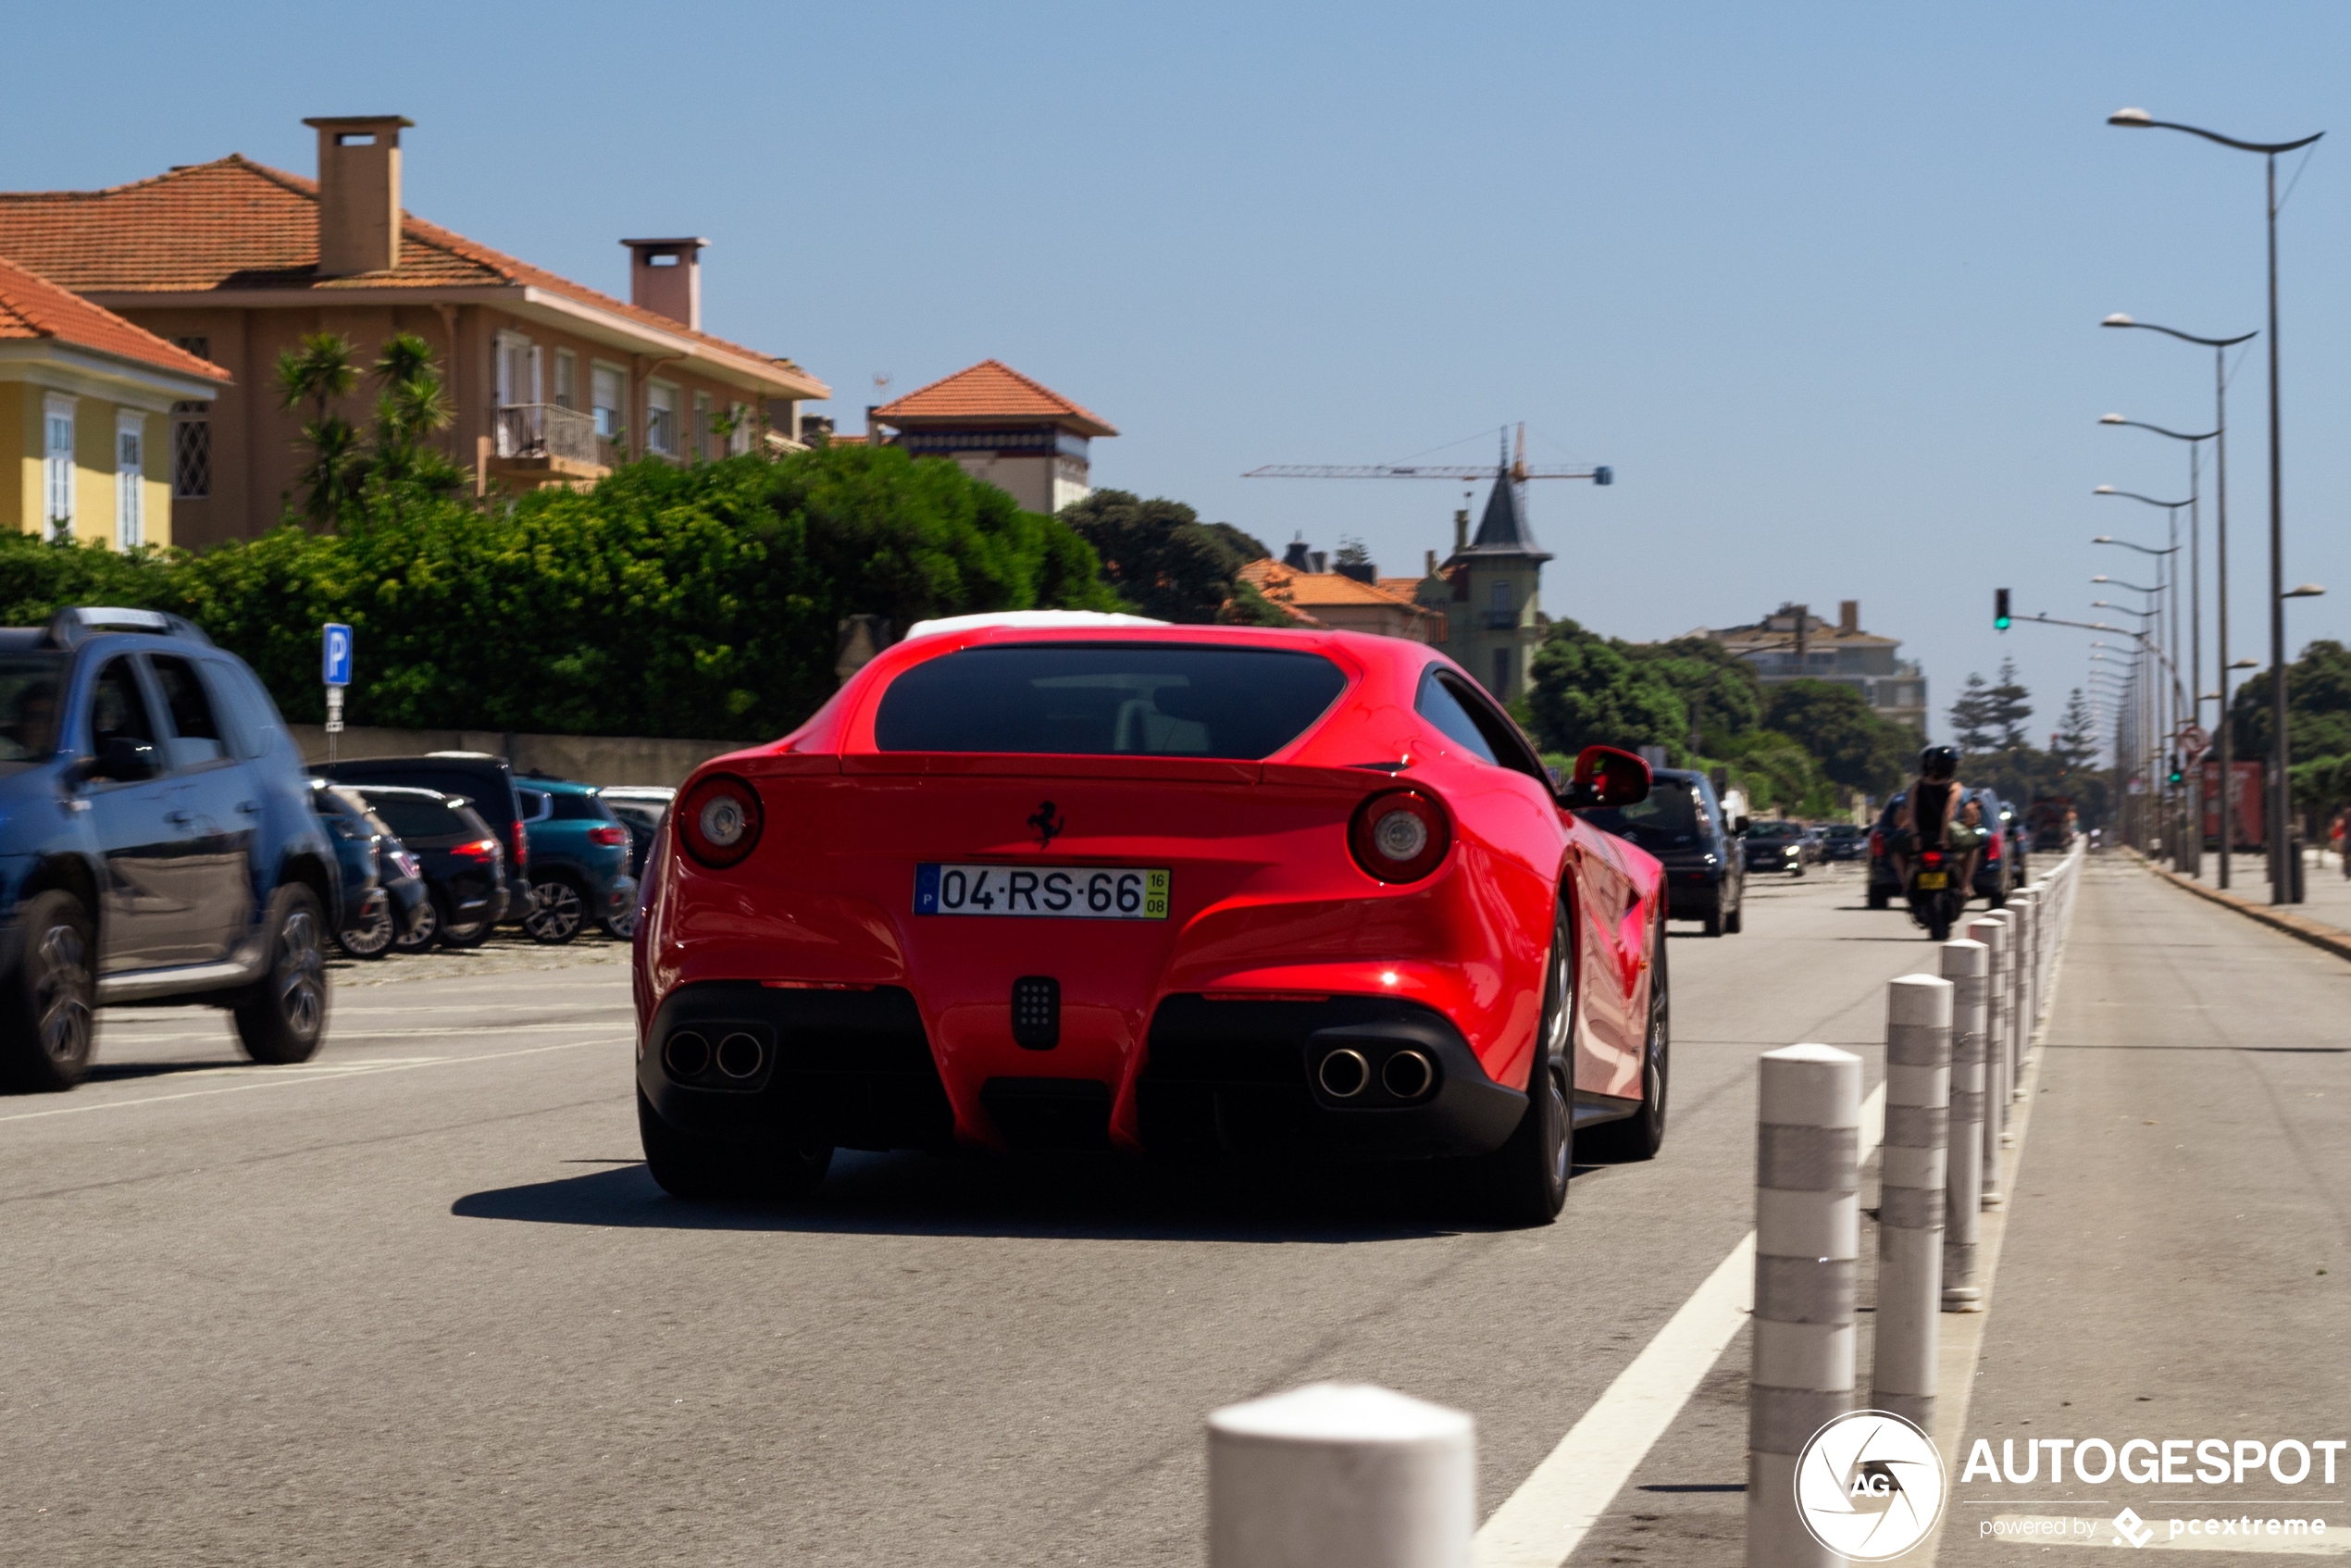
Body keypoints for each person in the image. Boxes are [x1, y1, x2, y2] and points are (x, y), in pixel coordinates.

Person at [1888, 744, 1984, 892]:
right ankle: (1965, 884)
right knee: (1975, 846)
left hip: (1921, 835)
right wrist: (1944, 838)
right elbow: (1949, 812)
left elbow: (1911, 814)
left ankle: (1906, 885)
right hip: (1946, 835)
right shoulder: (1955, 787)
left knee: (1894, 848)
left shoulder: (1916, 786)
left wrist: (1915, 836)